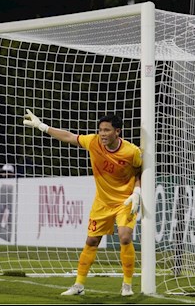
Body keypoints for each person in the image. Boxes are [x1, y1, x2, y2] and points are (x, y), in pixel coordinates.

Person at [23, 109, 142, 297]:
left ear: (117, 132)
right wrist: (42, 126)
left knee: (125, 237)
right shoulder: (93, 141)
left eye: (107, 130)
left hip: (125, 201)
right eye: (100, 129)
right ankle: (79, 285)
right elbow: (69, 136)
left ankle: (127, 286)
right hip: (102, 202)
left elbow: (138, 172)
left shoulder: (131, 151)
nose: (102, 133)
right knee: (92, 240)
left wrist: (137, 191)